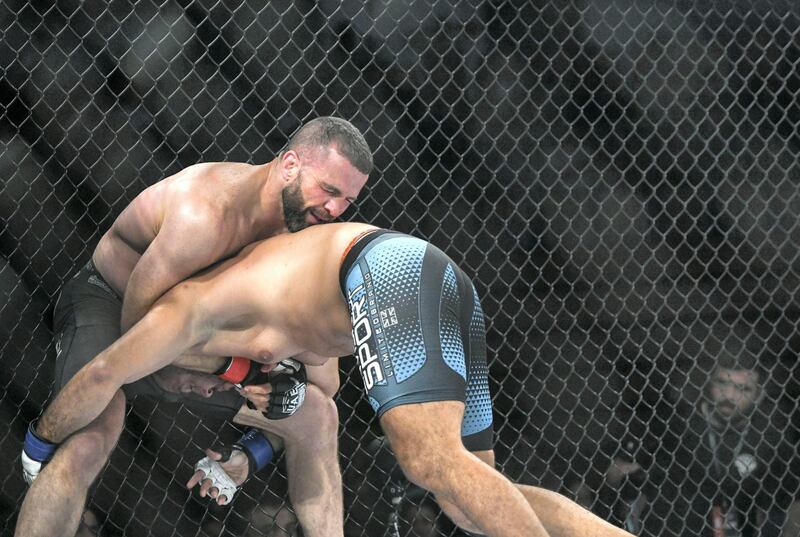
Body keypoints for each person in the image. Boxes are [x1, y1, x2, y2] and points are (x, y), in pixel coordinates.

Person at [21, 222, 634, 537]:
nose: (210, 394)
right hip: (438, 279)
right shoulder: (266, 309)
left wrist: (38, 446)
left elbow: (103, 372)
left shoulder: (182, 314)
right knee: (474, 497)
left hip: (389, 273)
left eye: (199, 383)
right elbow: (321, 394)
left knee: (428, 460)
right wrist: (253, 443)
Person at [15, 116, 373, 537]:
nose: (334, 210)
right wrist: (231, 369)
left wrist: (250, 453)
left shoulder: (301, 240)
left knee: (318, 414)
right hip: (115, 310)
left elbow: (323, 382)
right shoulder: (205, 213)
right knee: (84, 446)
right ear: (290, 165)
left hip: (196, 339)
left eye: (347, 200)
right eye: (329, 190)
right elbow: (138, 330)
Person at [600, 334, 800, 537]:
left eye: (742, 388)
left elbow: (791, 498)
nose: (729, 395)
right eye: (722, 383)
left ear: (759, 394)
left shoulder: (769, 436)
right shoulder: (678, 423)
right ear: (709, 382)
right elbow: (619, 472)